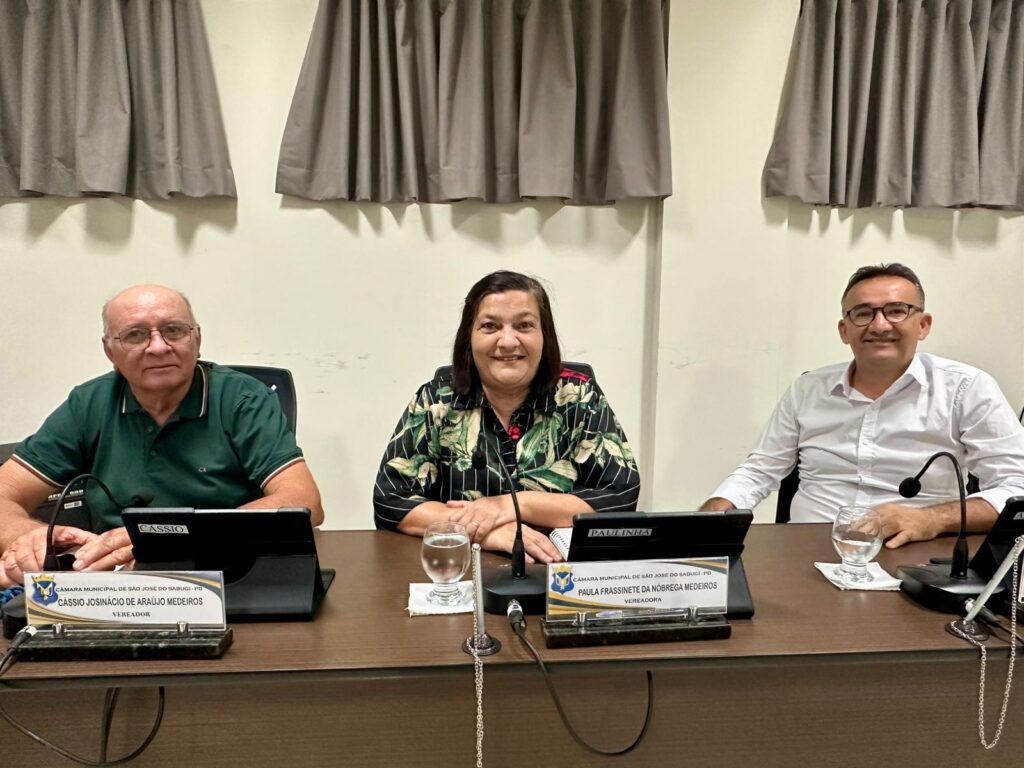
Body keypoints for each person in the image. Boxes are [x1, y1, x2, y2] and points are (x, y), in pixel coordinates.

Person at [0, 284, 323, 587]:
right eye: (135, 335)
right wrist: (26, 537)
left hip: (226, 574)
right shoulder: (88, 404)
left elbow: (303, 500)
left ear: (197, 339)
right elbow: (5, 493)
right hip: (116, 584)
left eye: (173, 330)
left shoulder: (242, 399)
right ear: (110, 351)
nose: (158, 347)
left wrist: (163, 539)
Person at [700, 263, 1024, 548]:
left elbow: (1016, 487)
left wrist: (931, 519)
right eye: (863, 313)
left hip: (918, 550)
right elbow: (760, 469)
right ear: (845, 330)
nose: (879, 325)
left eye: (896, 310)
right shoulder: (808, 390)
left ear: (923, 325)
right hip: (808, 548)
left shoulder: (966, 388)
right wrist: (715, 511)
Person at [373, 270, 640, 563]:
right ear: (469, 338)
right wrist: (486, 534)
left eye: (524, 325)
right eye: (490, 326)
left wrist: (511, 506)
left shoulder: (578, 397)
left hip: (557, 573)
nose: (508, 341)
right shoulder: (438, 400)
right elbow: (391, 501)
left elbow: (619, 498)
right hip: (460, 570)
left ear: (544, 335)